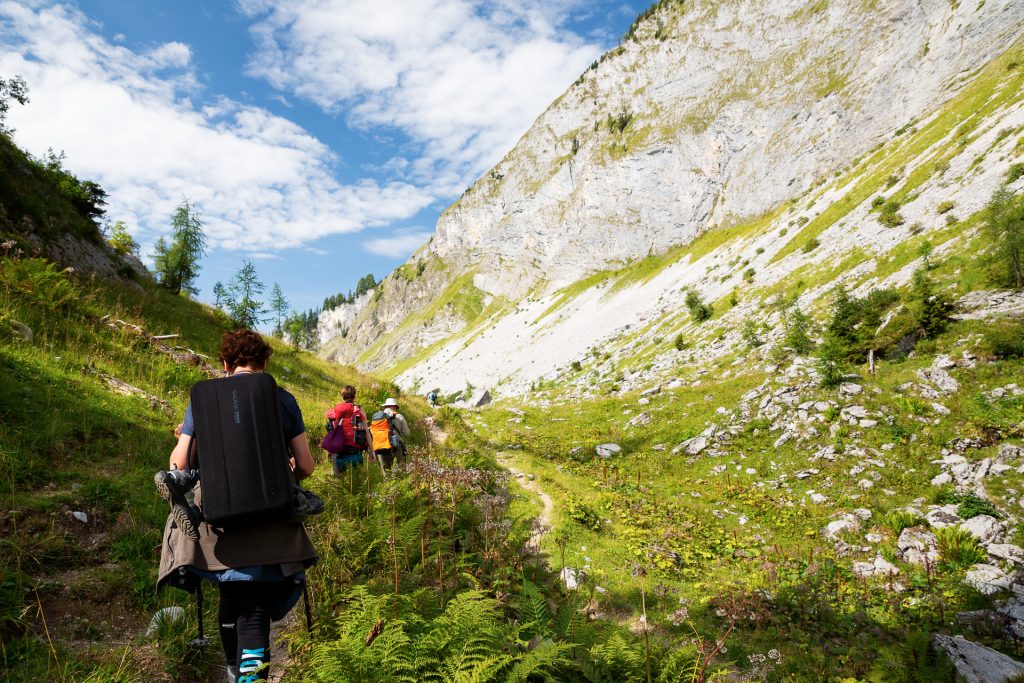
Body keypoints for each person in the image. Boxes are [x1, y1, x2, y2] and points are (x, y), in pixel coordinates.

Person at [155, 329, 317, 683]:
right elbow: (305, 465)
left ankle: (232, 670)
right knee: (255, 609)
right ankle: (251, 678)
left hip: (219, 519)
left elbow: (179, 465)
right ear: (265, 362)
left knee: (230, 595)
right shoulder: (283, 399)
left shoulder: (202, 401)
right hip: (272, 519)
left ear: (225, 363)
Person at [325, 384, 370, 475]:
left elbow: (331, 431)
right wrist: (372, 451)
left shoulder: (335, 410)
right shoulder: (359, 409)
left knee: (340, 483)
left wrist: (328, 451)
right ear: (354, 396)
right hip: (355, 450)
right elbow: (366, 431)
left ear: (342, 396)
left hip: (337, 451)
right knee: (357, 481)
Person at [371, 397, 410, 469]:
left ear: (385, 406)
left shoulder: (377, 417)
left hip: (380, 447)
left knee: (386, 473)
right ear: (394, 406)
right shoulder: (399, 416)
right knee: (399, 470)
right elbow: (407, 433)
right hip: (396, 446)